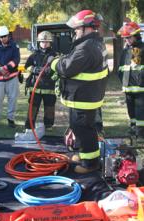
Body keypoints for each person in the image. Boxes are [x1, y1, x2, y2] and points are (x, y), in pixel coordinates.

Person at [50, 10, 108, 173]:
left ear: (87, 28)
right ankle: (85, 155)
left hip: (83, 97)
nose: (74, 32)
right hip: (87, 95)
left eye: (76, 29)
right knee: (81, 128)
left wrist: (53, 62)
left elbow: (67, 68)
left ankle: (90, 164)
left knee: (84, 129)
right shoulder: (95, 43)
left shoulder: (86, 48)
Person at [117, 22, 144, 140]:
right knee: (132, 113)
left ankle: (142, 134)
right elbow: (121, 68)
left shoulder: (141, 48)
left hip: (141, 89)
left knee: (141, 114)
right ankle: (133, 129)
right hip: (128, 88)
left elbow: (137, 64)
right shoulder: (126, 50)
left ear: (136, 35)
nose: (127, 40)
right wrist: (123, 83)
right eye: (125, 38)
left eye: (128, 37)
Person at [0, 25, 20, 129]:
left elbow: (16, 59)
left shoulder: (14, 46)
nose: (3, 38)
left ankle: (11, 119)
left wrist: (6, 68)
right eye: (1, 37)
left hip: (12, 77)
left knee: (12, 99)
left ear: (8, 35)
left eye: (5, 36)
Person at [24, 31, 57, 131]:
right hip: (35, 86)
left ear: (50, 43)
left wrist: (50, 71)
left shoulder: (55, 55)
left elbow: (58, 69)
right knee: (33, 107)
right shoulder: (34, 55)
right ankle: (29, 125)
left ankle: (48, 125)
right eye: (42, 41)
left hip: (49, 86)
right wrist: (34, 69)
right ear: (39, 42)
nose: (45, 43)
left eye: (47, 41)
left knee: (49, 107)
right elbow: (26, 67)